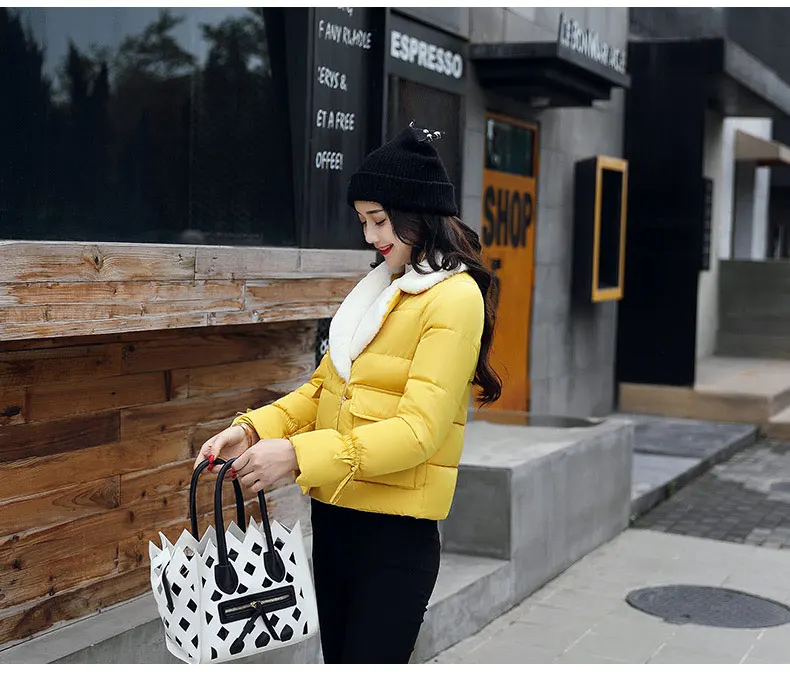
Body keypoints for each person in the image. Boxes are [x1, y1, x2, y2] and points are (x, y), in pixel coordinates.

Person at [194, 123, 502, 664]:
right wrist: (252, 429)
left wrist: (296, 455)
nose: (370, 236)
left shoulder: (453, 298)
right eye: (363, 221)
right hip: (336, 518)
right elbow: (322, 391)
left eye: (378, 220)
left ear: (417, 212)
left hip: (395, 536)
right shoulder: (379, 289)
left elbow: (419, 432)